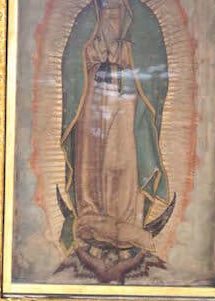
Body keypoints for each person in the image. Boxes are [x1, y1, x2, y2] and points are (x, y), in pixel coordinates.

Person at [57, 0, 175, 282]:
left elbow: (155, 62)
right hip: (93, 96)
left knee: (122, 158)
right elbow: (72, 59)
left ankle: (126, 222)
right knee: (90, 159)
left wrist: (125, 53)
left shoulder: (143, 18)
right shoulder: (88, 16)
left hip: (127, 99)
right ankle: (91, 216)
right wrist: (90, 52)